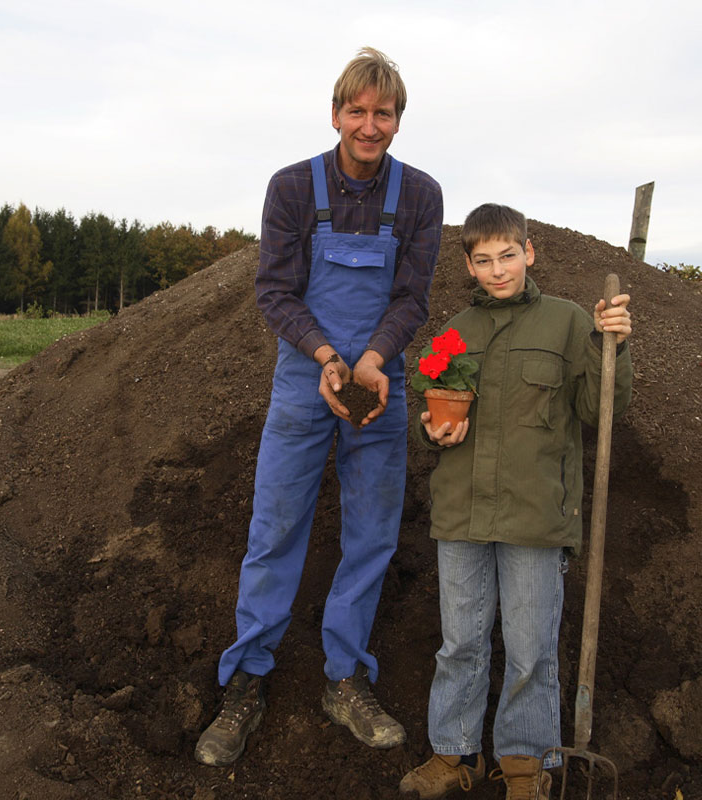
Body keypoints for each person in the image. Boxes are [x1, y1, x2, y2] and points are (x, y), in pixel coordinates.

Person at [195, 47, 443, 768]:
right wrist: (328, 359)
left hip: (378, 386)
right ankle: (246, 678)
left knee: (371, 535)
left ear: (398, 119)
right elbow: (274, 290)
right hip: (306, 380)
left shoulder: (420, 196)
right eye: (357, 111)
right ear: (336, 113)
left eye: (384, 113)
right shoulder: (293, 188)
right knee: (275, 530)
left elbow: (412, 298)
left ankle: (346, 678)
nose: (370, 126)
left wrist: (370, 360)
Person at [399, 203, 633, 800]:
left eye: (508, 256)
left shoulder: (568, 321)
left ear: (529, 253)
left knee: (531, 649)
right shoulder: (455, 332)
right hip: (461, 513)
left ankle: (526, 765)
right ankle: (453, 757)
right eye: (484, 260)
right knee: (461, 643)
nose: (498, 269)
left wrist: (615, 349)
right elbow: (429, 405)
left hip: (535, 516)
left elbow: (598, 411)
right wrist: (431, 427)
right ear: (469, 265)